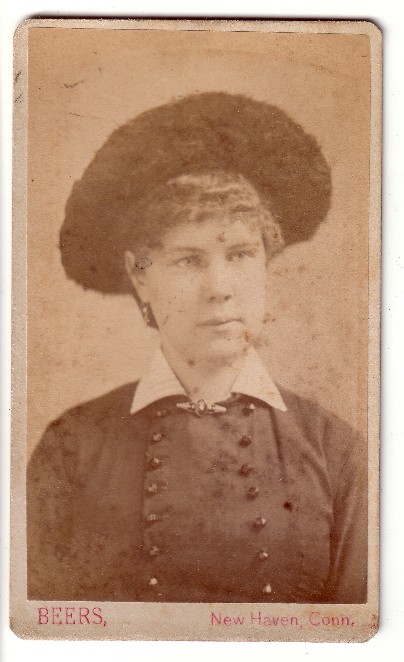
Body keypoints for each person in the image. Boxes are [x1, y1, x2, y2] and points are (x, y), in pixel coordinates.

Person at [27, 92, 367, 603]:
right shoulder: (72, 449)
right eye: (189, 260)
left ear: (265, 264)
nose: (220, 287)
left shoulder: (336, 452)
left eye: (240, 254)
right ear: (140, 278)